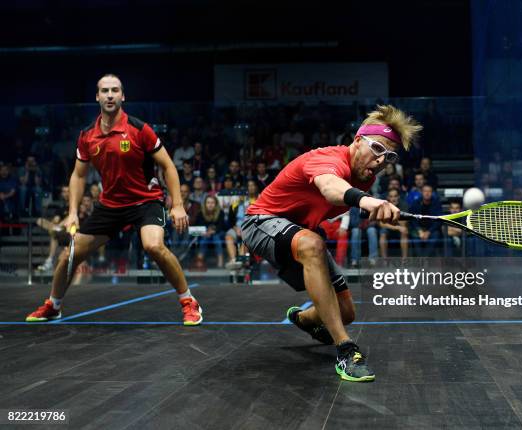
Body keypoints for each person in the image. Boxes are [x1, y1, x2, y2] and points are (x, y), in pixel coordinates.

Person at [242, 105, 421, 382]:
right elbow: (330, 187)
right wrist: (366, 199)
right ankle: (346, 351)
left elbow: (349, 200)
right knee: (313, 244)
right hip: (261, 223)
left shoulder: (366, 177)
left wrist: (382, 213)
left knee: (347, 313)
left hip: (299, 232)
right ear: (357, 141)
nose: (381, 160)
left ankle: (302, 319)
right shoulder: (328, 159)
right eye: (377, 148)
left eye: (389, 155)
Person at [25, 74, 202, 326]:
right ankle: (53, 305)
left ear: (123, 96)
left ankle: (188, 301)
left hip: (145, 202)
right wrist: (73, 212)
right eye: (105, 91)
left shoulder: (140, 129)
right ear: (97, 96)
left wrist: (177, 205)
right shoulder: (87, 136)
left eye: (115, 90)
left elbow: (169, 166)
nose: (110, 95)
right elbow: (78, 174)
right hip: (110, 206)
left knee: (153, 246)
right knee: (70, 254)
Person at [379, 188, 410, 258]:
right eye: (391, 196)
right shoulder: (384, 206)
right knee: (382, 233)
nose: (393, 199)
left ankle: (404, 260)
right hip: (391, 228)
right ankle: (384, 260)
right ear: (388, 197)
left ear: (398, 197)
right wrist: (397, 227)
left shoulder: (403, 205)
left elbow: (403, 223)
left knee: (404, 231)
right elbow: (381, 224)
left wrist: (395, 210)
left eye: (395, 196)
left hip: (398, 228)